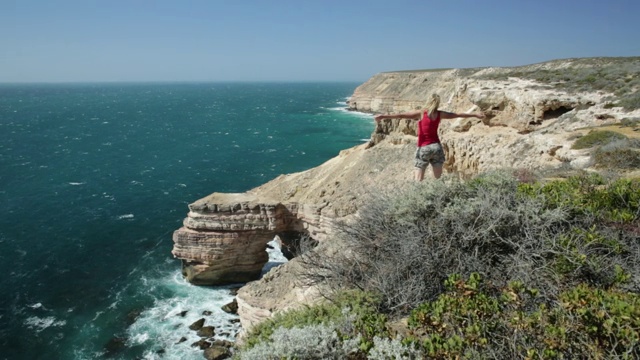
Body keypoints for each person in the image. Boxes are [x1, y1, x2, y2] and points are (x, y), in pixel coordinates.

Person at [374, 94, 485, 181]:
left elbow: (401, 115)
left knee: (418, 179)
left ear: (428, 102)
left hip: (424, 147)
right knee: (437, 178)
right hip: (437, 147)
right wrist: (475, 115)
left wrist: (383, 116)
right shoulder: (440, 114)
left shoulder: (421, 113)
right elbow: (457, 114)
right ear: (437, 103)